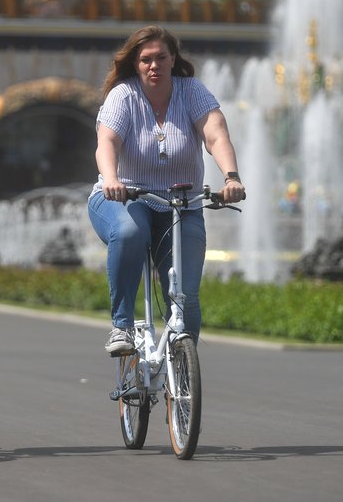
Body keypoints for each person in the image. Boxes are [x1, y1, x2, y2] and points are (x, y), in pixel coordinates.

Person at [88, 25, 245, 355]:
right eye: (146, 60)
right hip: (125, 196)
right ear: (135, 64)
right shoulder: (123, 95)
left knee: (185, 298)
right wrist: (112, 178)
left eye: (161, 57)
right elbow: (107, 142)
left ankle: (183, 372)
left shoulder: (192, 91)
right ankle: (122, 326)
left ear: (174, 59)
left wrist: (231, 177)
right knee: (130, 232)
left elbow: (215, 135)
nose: (154, 65)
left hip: (180, 204)